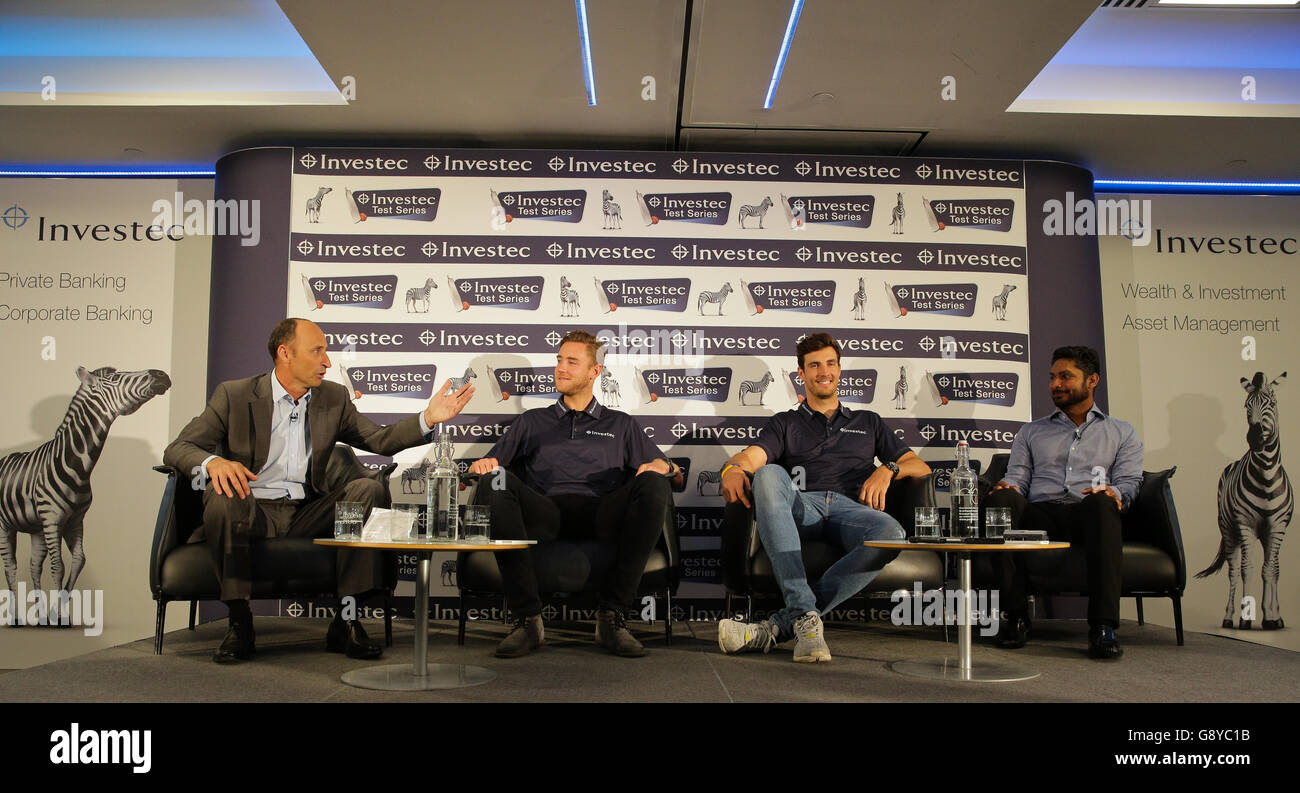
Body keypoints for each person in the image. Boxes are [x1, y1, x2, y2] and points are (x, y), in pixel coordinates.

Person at [163, 318, 473, 663]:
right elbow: (179, 448)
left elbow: (379, 440)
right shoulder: (234, 395)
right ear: (285, 354)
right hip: (252, 510)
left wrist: (427, 418)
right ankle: (239, 621)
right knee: (223, 495)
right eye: (318, 351)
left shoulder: (333, 397)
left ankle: (346, 620)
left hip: (306, 512)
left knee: (366, 490)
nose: (327, 361)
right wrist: (212, 463)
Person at [716, 333, 930, 662]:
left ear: (840, 369)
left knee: (891, 533)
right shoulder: (785, 422)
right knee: (769, 473)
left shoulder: (867, 421)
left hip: (852, 510)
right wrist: (731, 469)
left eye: (830, 363)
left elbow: (919, 465)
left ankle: (786, 623)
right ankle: (803, 616)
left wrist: (887, 469)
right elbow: (752, 457)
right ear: (800, 374)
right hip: (803, 506)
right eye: (814, 365)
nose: (823, 371)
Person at [468, 330, 681, 658]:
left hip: (602, 515)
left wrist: (664, 467)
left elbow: (672, 475)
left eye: (571, 361)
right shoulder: (531, 421)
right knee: (495, 482)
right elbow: (487, 468)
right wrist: (483, 467)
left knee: (655, 481)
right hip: (546, 516)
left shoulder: (620, 424)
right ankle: (527, 620)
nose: (561, 368)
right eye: (558, 361)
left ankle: (611, 617)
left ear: (595, 371)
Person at [987, 345, 1143, 660]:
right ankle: (1015, 616)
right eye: (1053, 377)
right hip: (1039, 514)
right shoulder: (1031, 432)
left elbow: (1129, 483)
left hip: (1088, 514)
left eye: (1065, 377)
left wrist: (1114, 493)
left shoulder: (1121, 432)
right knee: (1002, 500)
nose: (1055, 384)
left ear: (1092, 380)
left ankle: (1102, 627)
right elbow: (1019, 477)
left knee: (1103, 504)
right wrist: (1008, 486)